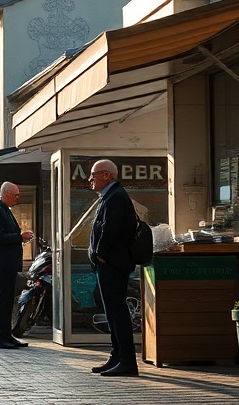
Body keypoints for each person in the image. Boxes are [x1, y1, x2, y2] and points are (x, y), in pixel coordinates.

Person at [88, 159, 139, 377]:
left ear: (107, 175)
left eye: (93, 175)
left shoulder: (116, 197)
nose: (90, 180)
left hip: (112, 264)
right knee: (112, 313)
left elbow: (110, 228)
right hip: (108, 263)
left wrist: (99, 253)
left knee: (117, 313)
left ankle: (127, 361)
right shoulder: (109, 196)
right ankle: (116, 356)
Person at [0, 181, 34, 349]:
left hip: (8, 265)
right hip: (2, 265)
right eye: (15, 195)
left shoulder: (5, 210)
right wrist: (20, 237)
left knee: (6, 303)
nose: (17, 198)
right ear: (6, 193)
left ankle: (7, 335)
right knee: (0, 302)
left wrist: (20, 237)